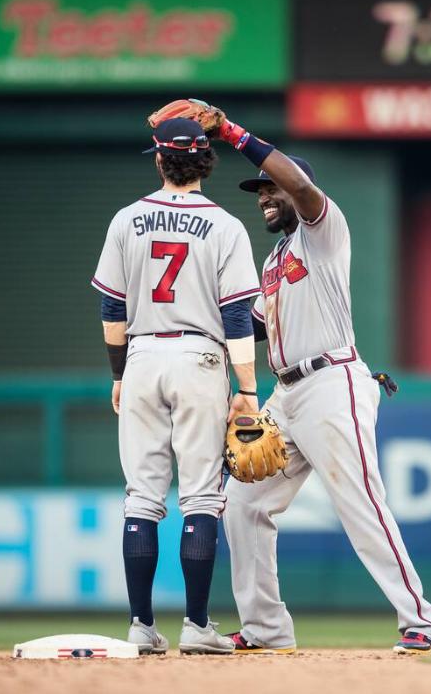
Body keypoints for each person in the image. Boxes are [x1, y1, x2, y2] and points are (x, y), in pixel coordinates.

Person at [204, 111, 431, 655]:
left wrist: (235, 136)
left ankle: (419, 621)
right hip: (285, 394)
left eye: (272, 188)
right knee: (243, 502)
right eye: (258, 191)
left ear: (294, 188)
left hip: (332, 382)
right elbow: (260, 326)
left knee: (359, 500)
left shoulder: (323, 230)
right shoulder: (274, 259)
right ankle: (265, 627)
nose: (264, 196)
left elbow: (300, 186)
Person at [91, 118, 261, 654]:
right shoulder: (227, 225)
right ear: (206, 161)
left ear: (160, 160)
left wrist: (119, 373)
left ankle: (141, 626)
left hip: (142, 354)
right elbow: (237, 316)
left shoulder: (127, 219)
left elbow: (112, 309)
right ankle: (196, 625)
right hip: (200, 356)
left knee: (141, 497)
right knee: (201, 498)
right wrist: (249, 390)